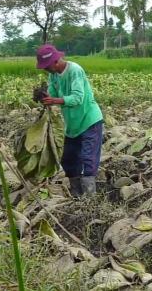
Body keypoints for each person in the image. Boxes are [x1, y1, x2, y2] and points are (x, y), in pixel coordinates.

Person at [35, 44, 103, 196]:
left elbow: (78, 98)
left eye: (47, 66)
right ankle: (76, 195)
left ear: (56, 61)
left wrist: (56, 101)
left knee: (87, 159)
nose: (45, 70)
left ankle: (90, 199)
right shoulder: (53, 75)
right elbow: (52, 92)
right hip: (72, 125)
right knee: (68, 159)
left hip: (89, 121)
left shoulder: (74, 71)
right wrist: (45, 97)